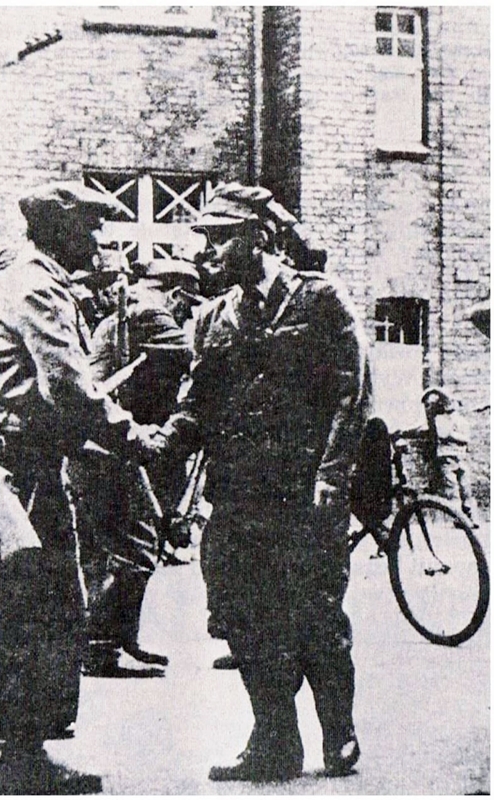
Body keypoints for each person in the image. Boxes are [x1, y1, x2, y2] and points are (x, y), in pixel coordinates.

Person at [0, 181, 169, 794]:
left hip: (34, 462)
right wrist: (134, 438)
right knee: (42, 612)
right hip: (29, 474)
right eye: (89, 227)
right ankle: (22, 760)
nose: (98, 239)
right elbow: (69, 389)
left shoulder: (33, 280)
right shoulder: (37, 286)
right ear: (58, 229)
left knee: (37, 610)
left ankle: (21, 750)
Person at [184, 183, 371, 781]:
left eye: (220, 238)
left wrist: (332, 477)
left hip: (304, 496)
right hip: (239, 498)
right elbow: (196, 407)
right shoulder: (213, 318)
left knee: (316, 617)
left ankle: (338, 734)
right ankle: (274, 740)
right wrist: (155, 447)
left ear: (258, 238)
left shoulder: (319, 300)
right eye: (205, 239)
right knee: (245, 620)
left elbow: (352, 393)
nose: (207, 252)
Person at [76, 259, 203, 675]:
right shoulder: (152, 313)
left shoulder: (125, 313)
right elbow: (196, 356)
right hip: (111, 447)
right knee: (137, 546)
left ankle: (120, 640)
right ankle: (101, 648)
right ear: (176, 294)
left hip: (101, 445)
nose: (186, 315)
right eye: (187, 306)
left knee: (122, 546)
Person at [421, 387, 479, 525]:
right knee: (453, 490)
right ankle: (461, 518)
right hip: (448, 458)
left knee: (464, 489)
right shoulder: (440, 420)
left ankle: (470, 517)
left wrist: (452, 435)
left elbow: (462, 438)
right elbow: (443, 434)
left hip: (458, 458)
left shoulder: (458, 421)